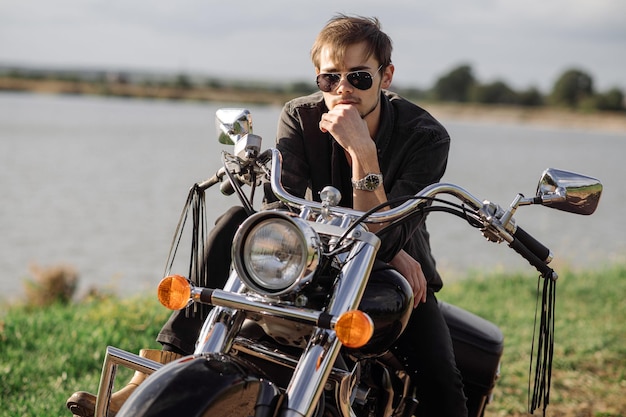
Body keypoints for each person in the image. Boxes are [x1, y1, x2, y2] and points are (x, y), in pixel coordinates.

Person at [67, 14, 467, 417]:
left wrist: (363, 153)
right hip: (315, 256)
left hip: (394, 273)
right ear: (318, 78)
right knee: (236, 221)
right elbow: (282, 208)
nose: (343, 89)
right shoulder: (300, 115)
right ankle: (155, 374)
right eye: (330, 79)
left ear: (386, 76)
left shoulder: (426, 137)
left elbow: (388, 231)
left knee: (444, 386)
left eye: (359, 78)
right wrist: (380, 242)